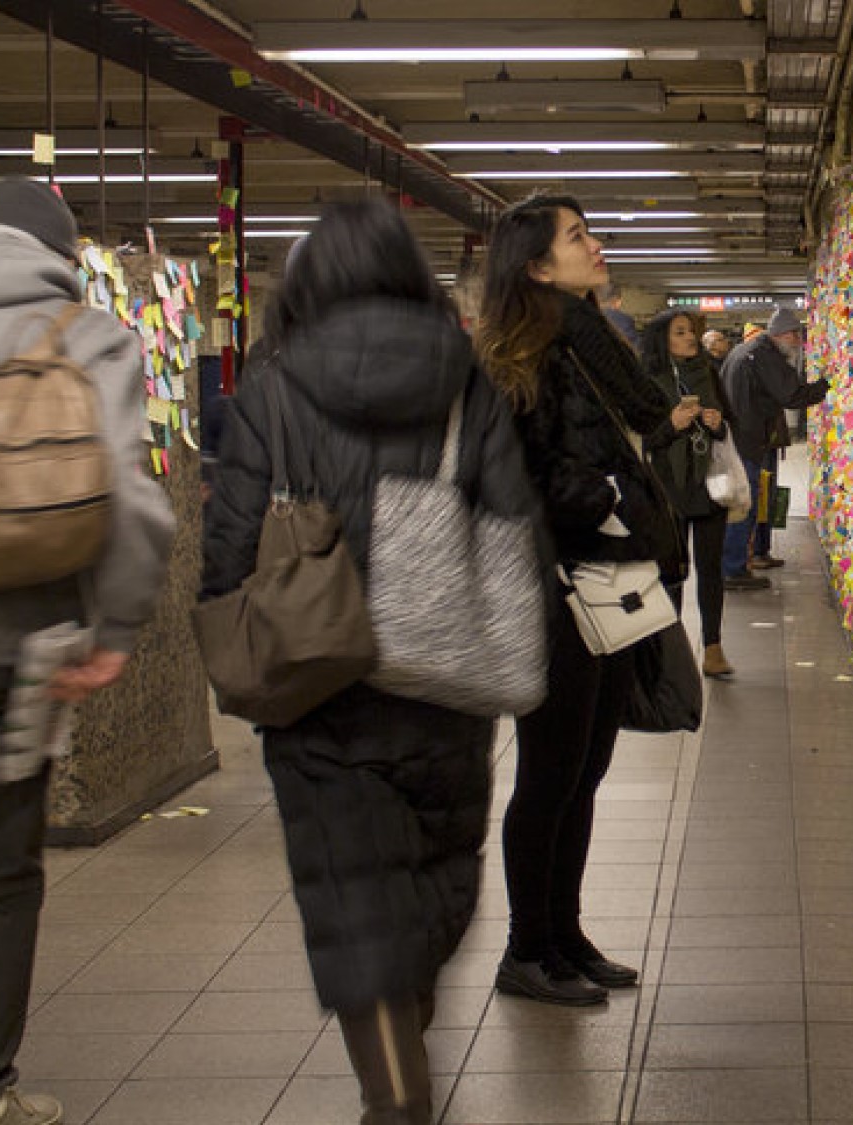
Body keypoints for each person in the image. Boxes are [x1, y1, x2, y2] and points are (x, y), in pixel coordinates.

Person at [202, 200, 536, 1125]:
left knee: (360, 902)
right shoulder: (466, 382)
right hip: (446, 688)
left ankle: (394, 1093)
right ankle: (403, 1055)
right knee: (436, 883)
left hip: (318, 691)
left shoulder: (268, 390)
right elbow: (512, 529)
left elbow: (228, 551)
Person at [0, 179, 176, 1125]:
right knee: (2, 863)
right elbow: (133, 505)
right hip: (21, 646)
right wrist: (114, 632)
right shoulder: (86, 333)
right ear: (63, 257)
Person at [477, 195, 688, 1006]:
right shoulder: (522, 356)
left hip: (604, 580)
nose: (595, 245)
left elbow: (630, 429)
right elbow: (521, 476)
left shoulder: (587, 343)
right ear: (536, 265)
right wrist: (607, 497)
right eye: (576, 237)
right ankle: (525, 949)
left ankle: (563, 934)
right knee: (549, 774)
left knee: (585, 770)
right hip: (550, 588)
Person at [640, 310, 736, 678]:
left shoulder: (707, 372)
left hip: (708, 483)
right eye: (679, 332)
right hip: (667, 487)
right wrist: (670, 425)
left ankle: (713, 648)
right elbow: (639, 437)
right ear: (661, 339)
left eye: (691, 331)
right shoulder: (647, 380)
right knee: (672, 571)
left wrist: (717, 424)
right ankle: (670, 653)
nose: (690, 338)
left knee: (711, 569)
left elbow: (728, 422)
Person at [719, 305, 828, 592]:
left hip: (737, 437)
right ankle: (733, 569)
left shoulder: (743, 351)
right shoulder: (765, 355)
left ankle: (743, 560)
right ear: (785, 334)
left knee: (743, 502)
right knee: (745, 504)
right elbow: (790, 394)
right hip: (748, 440)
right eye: (797, 338)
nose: (799, 344)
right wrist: (825, 387)